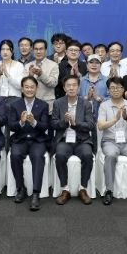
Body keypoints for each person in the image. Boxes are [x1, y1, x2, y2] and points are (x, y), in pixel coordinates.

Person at [97, 77, 127, 206]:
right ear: (108, 90)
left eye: (118, 87)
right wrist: (115, 119)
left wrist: (126, 117)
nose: (115, 90)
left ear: (123, 89)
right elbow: (100, 126)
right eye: (112, 88)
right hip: (110, 141)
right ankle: (109, 190)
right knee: (111, 155)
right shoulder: (104, 105)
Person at [7, 76, 50, 211]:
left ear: (36, 88)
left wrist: (34, 122)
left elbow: (45, 126)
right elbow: (11, 126)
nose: (29, 89)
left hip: (37, 140)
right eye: (26, 87)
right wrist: (21, 122)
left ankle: (36, 193)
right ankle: (21, 188)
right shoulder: (14, 105)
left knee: (37, 157)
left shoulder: (43, 105)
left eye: (32, 87)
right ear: (22, 89)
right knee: (15, 155)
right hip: (20, 139)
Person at [52, 75, 95, 205]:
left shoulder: (86, 103)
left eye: (74, 85)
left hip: (82, 140)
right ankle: (65, 189)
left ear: (78, 87)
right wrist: (64, 122)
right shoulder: (58, 103)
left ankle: (83, 188)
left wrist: (75, 123)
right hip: (65, 140)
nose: (71, 88)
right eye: (68, 85)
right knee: (60, 155)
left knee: (87, 155)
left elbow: (90, 125)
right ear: (64, 88)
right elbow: (53, 123)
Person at [24, 39, 59, 111]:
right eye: (36, 49)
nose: (38, 52)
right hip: (30, 104)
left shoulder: (53, 65)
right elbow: (23, 86)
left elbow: (53, 83)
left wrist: (41, 74)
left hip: (47, 104)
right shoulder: (27, 66)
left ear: (45, 50)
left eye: (41, 49)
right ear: (33, 50)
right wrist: (30, 76)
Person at [79, 53, 109, 119]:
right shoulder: (80, 81)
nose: (94, 65)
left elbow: (112, 99)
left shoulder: (107, 81)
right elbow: (74, 98)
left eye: (97, 63)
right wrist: (87, 97)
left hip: (103, 116)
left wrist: (99, 98)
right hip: (83, 116)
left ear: (101, 65)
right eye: (91, 62)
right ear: (87, 65)